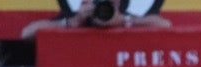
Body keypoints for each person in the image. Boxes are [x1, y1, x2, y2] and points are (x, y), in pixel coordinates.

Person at [21, 0, 171, 40]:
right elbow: (27, 33)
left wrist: (123, 21)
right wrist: (71, 23)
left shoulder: (124, 15)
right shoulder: (78, 18)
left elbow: (165, 25)